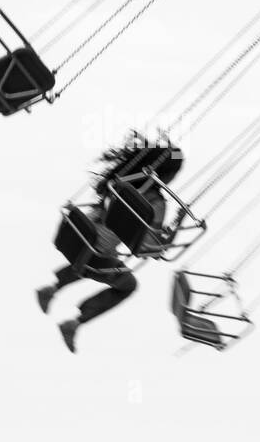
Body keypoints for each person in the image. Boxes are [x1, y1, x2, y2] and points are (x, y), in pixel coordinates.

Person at [37, 139, 185, 353]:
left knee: (100, 255)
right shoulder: (156, 203)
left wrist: (173, 152)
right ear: (168, 174)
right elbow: (148, 249)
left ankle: (51, 288)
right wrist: (175, 227)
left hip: (77, 232)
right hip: (95, 252)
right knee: (127, 283)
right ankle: (75, 322)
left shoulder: (122, 178)